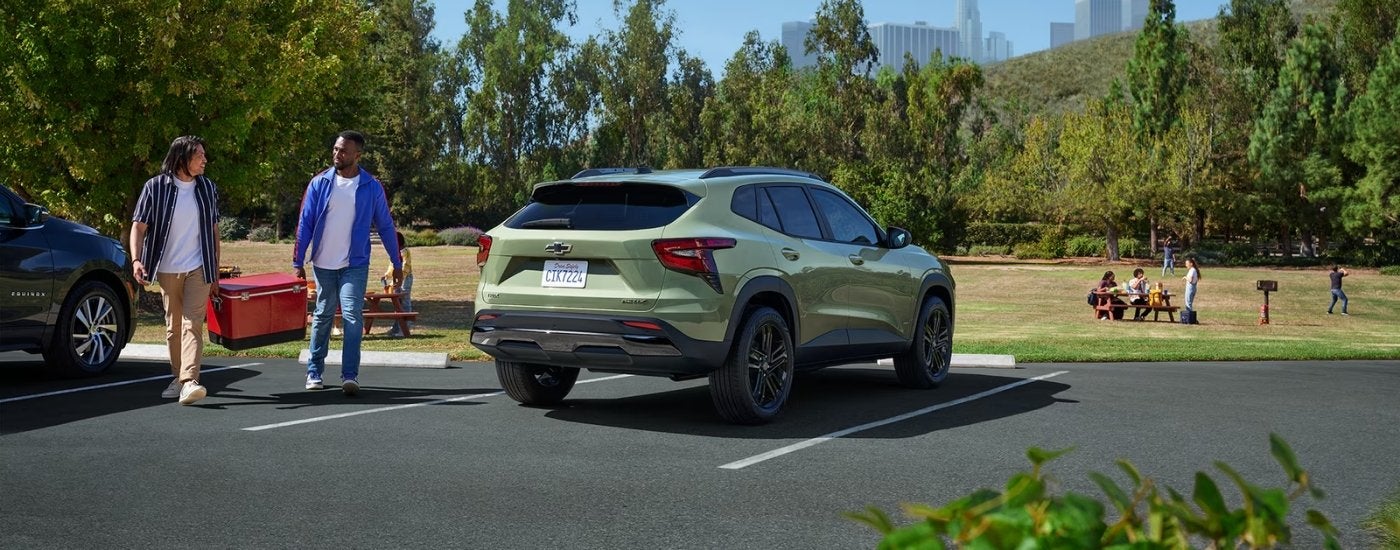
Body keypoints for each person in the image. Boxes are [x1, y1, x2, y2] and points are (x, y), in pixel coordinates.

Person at [293, 130, 402, 395]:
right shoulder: (319, 183)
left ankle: (349, 375)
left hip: (355, 263)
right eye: (335, 149)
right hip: (323, 262)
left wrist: (396, 261)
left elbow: (386, 225)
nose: (337, 154)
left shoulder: (371, 186)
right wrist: (298, 261)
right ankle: (314, 372)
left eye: (343, 150)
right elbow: (305, 223)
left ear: (357, 155)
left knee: (353, 316)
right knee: (323, 316)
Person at [130, 136, 221, 405]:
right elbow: (138, 226)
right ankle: (178, 377)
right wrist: (136, 260)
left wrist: (214, 270)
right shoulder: (155, 187)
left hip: (199, 266)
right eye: (199, 155)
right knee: (174, 326)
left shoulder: (207, 188)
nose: (205, 160)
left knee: (192, 324)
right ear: (182, 158)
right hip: (167, 268)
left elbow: (214, 232)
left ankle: (190, 380)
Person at [384, 231, 413, 338]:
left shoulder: (405, 252)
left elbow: (405, 266)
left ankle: (405, 327)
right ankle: (396, 327)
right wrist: (387, 275)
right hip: (396, 280)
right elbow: (392, 266)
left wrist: (401, 278)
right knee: (397, 303)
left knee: (404, 302)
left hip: (405, 278)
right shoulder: (394, 253)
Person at [1182, 257, 1201, 323]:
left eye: (1187, 263)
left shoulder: (1192, 270)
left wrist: (1185, 277)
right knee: (1189, 303)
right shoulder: (1194, 270)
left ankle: (1191, 319)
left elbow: (1190, 280)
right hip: (1193, 288)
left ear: (1191, 264)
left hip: (1190, 288)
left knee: (1188, 304)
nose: (1186, 265)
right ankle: (1191, 319)